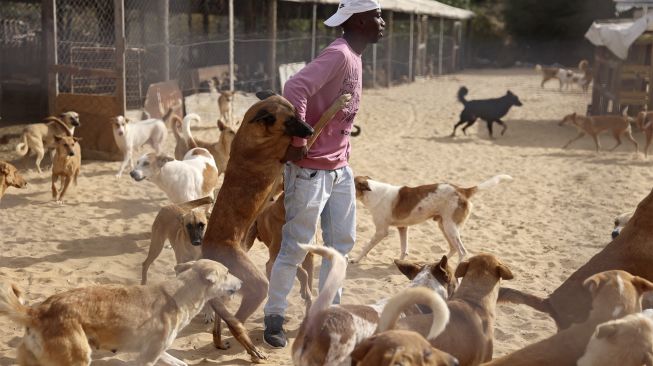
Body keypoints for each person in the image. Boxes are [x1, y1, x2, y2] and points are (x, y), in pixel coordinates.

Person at [262, 0, 385, 349]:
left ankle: (328, 315)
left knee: (340, 246)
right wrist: (299, 138)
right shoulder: (340, 54)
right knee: (297, 245)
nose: (382, 22)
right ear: (359, 20)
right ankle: (275, 314)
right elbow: (295, 88)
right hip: (311, 172)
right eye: (376, 15)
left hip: (340, 169)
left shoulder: (355, 57)